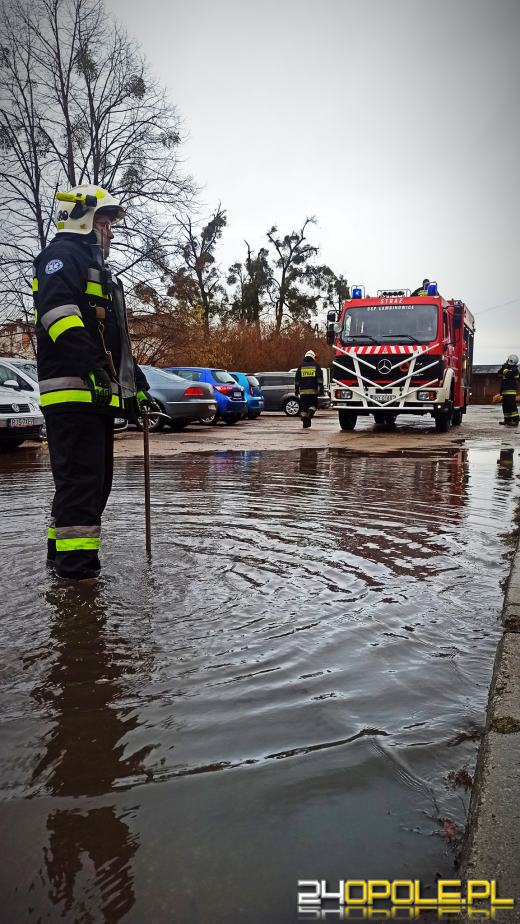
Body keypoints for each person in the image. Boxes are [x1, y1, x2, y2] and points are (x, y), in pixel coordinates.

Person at [34, 184, 154, 581]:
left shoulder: (96, 269)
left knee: (91, 486)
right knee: (82, 485)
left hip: (93, 392)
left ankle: (60, 563)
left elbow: (112, 337)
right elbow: (59, 317)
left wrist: (134, 386)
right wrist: (92, 368)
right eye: (106, 223)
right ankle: (78, 580)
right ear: (84, 219)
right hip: (71, 392)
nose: (111, 233)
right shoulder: (59, 257)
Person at [295, 349, 324, 429]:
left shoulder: (301, 366)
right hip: (313, 391)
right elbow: (319, 379)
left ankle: (305, 424)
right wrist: (321, 388)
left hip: (303, 392)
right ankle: (309, 415)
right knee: (314, 405)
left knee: (304, 407)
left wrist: (296, 390)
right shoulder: (316, 365)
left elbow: (297, 379)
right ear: (313, 356)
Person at [498, 354, 519, 427]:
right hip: (505, 390)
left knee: (511, 406)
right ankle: (507, 420)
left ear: (511, 361)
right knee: (505, 406)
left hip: (510, 391)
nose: (506, 361)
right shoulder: (506, 368)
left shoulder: (514, 369)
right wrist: (503, 368)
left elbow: (508, 374)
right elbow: (499, 374)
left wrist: (505, 368)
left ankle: (515, 420)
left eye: (508, 360)